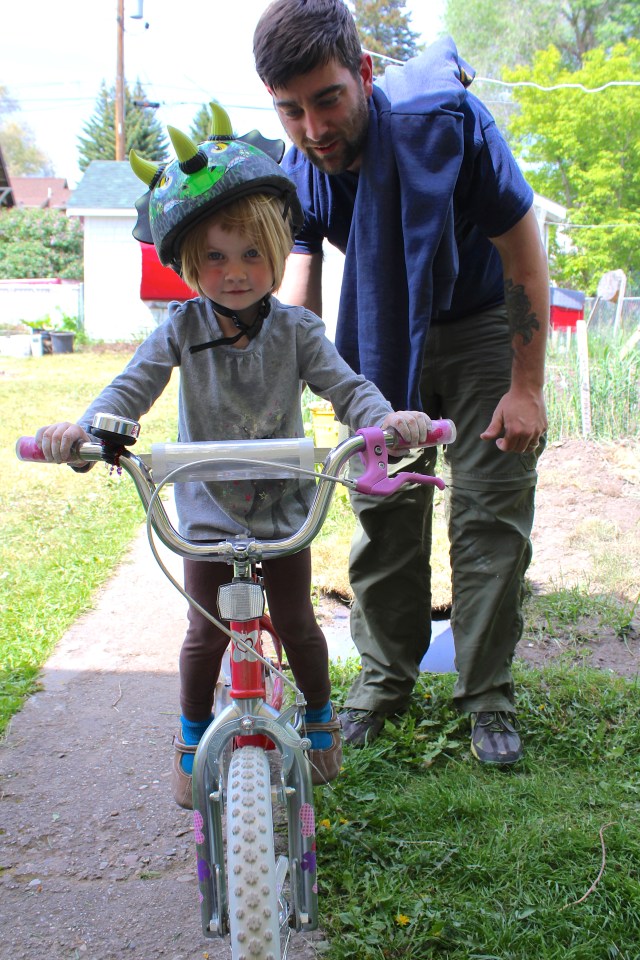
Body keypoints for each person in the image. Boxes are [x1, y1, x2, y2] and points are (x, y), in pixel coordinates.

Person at [34, 104, 433, 808]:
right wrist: (90, 430)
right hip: (206, 514)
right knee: (201, 633)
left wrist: (386, 420)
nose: (236, 272)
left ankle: (316, 719)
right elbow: (133, 385)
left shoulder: (298, 330)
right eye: (215, 256)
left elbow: (349, 388)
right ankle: (191, 735)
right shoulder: (181, 328)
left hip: (283, 511)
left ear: (279, 252)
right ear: (189, 263)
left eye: (252, 254)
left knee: (302, 628)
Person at [253, 0, 550, 764]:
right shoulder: (303, 172)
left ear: (364, 74)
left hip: (485, 319)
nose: (313, 128)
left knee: (489, 516)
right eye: (291, 110)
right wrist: (300, 391)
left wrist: (526, 388)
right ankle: (384, 682)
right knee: (385, 511)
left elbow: (523, 255)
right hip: (387, 331)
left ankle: (486, 697)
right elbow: (301, 285)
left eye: (328, 100)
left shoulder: (448, 128)